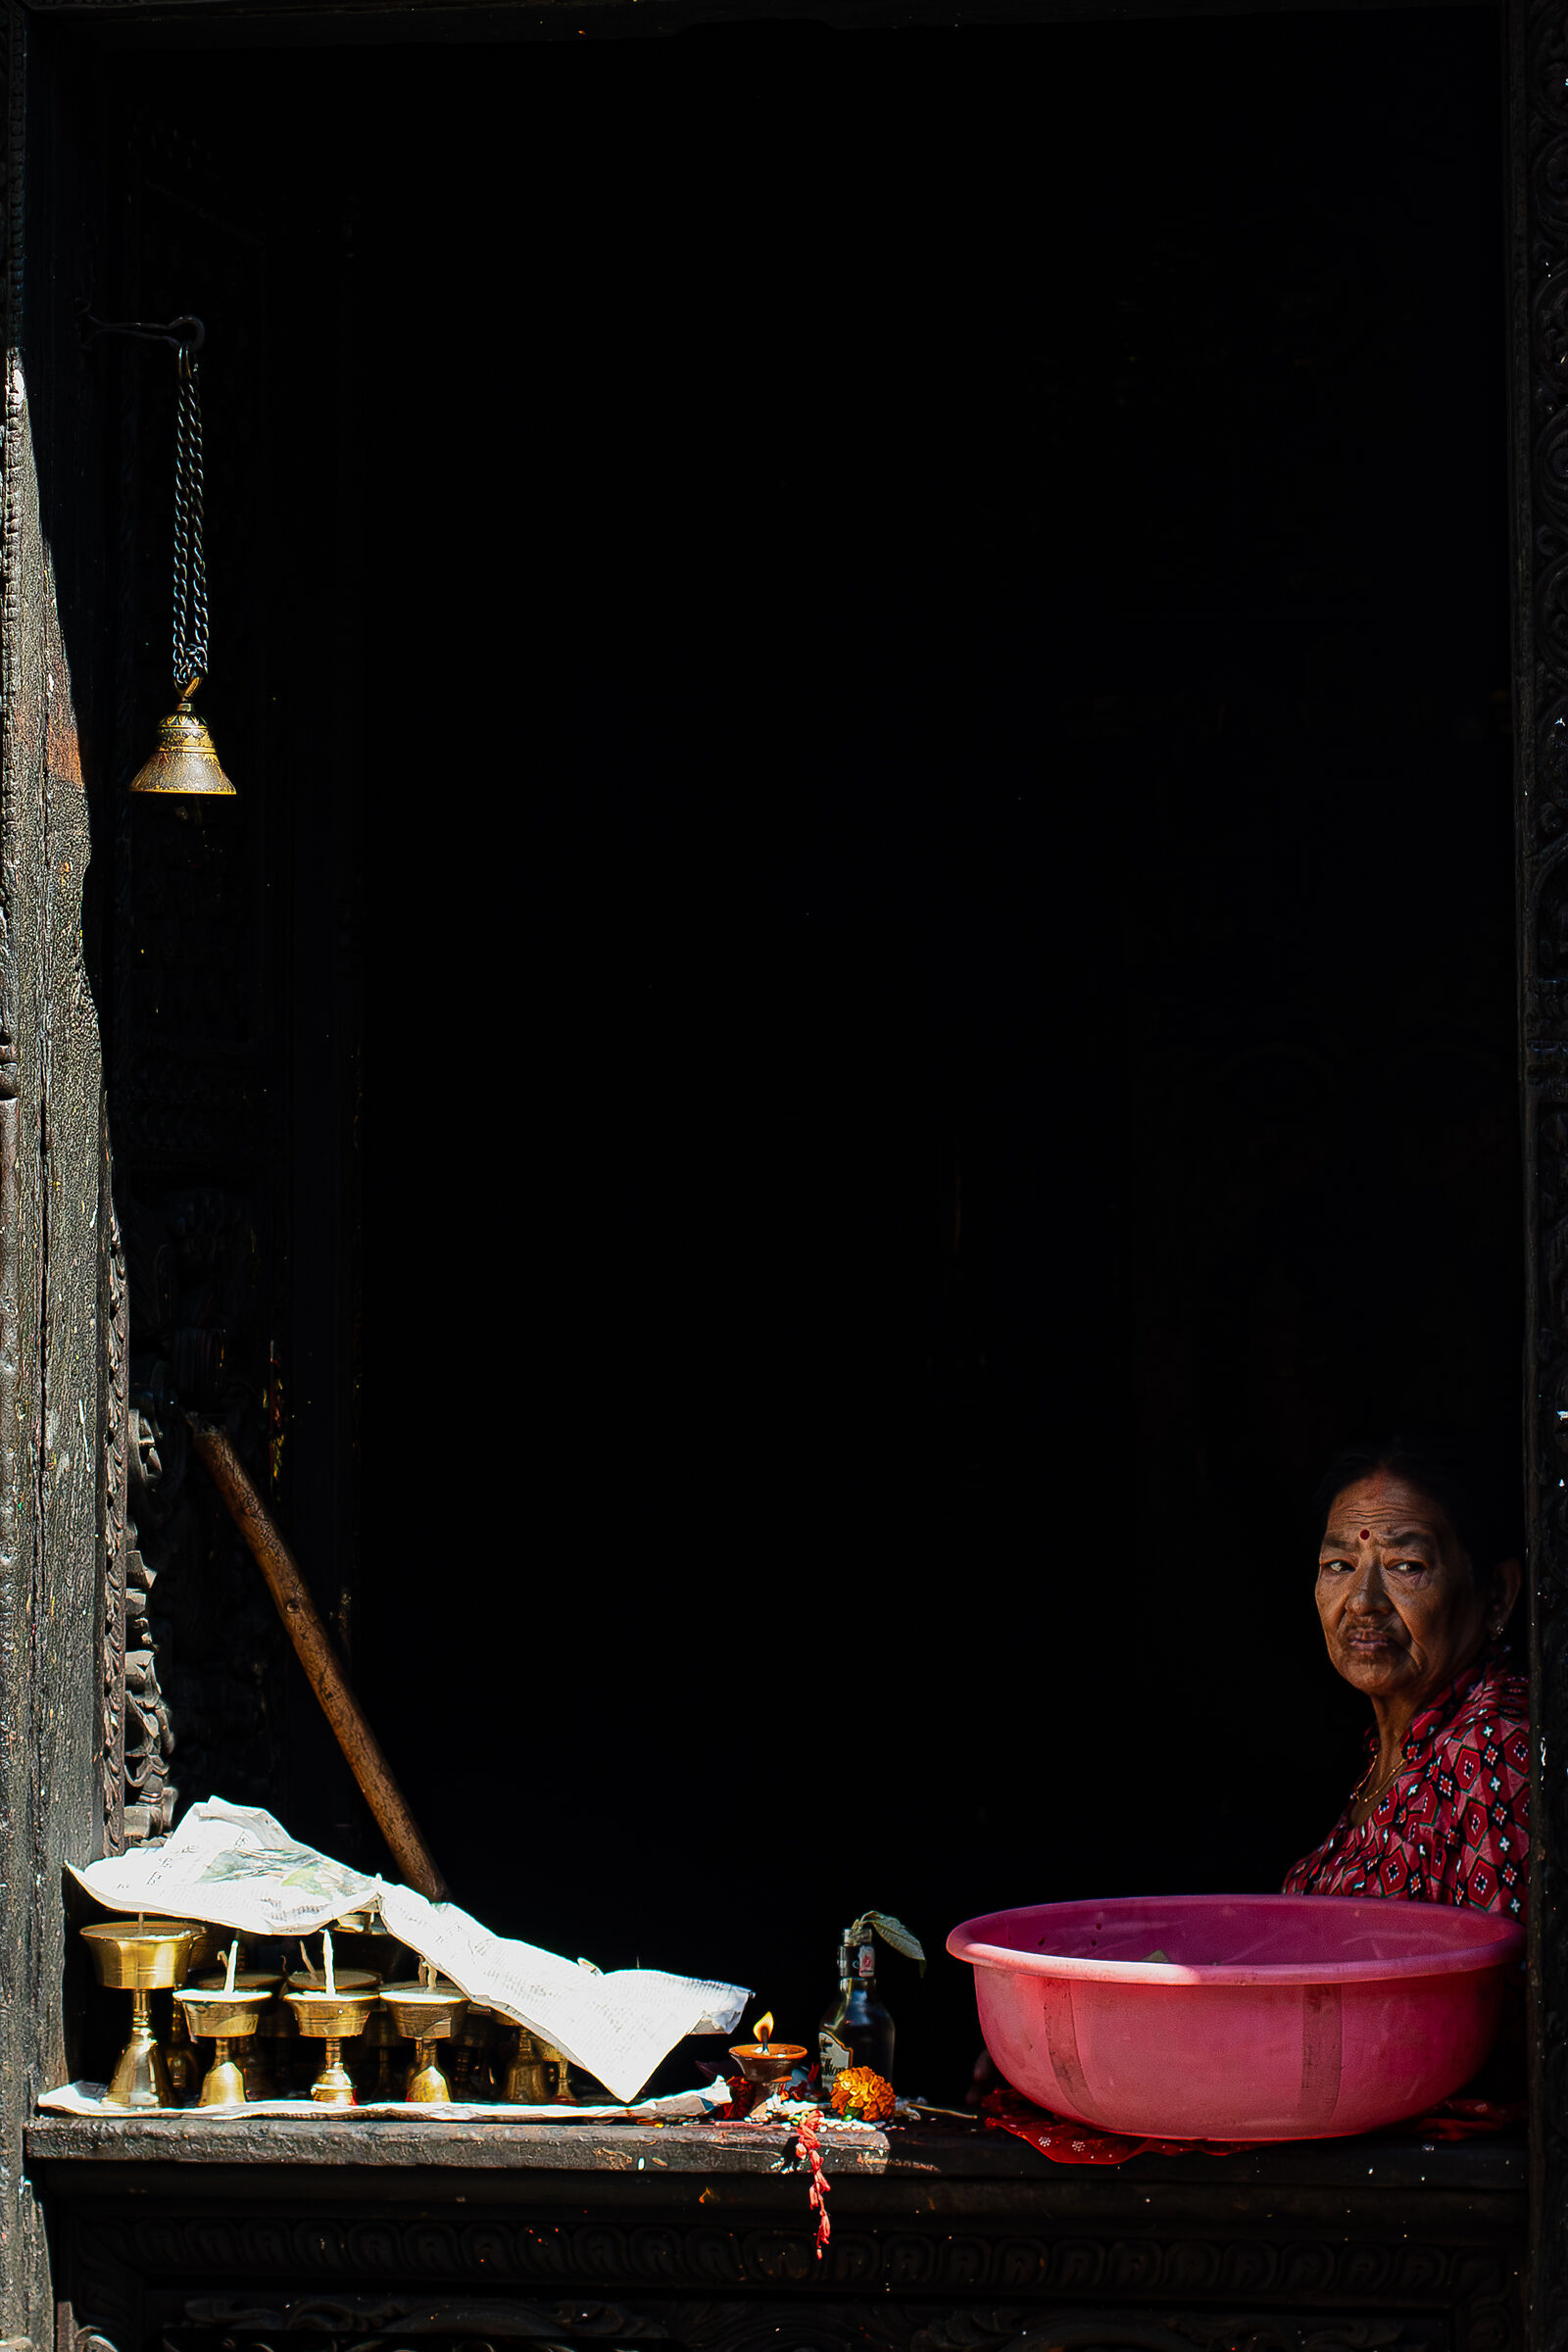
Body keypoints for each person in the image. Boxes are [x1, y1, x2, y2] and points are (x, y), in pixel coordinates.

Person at [1284, 1436, 1528, 1918]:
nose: (1362, 1601)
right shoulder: (1394, 1755)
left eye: (1406, 1566)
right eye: (1339, 1565)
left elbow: (1499, 1964)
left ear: (1497, 1594)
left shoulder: (1491, 1745)